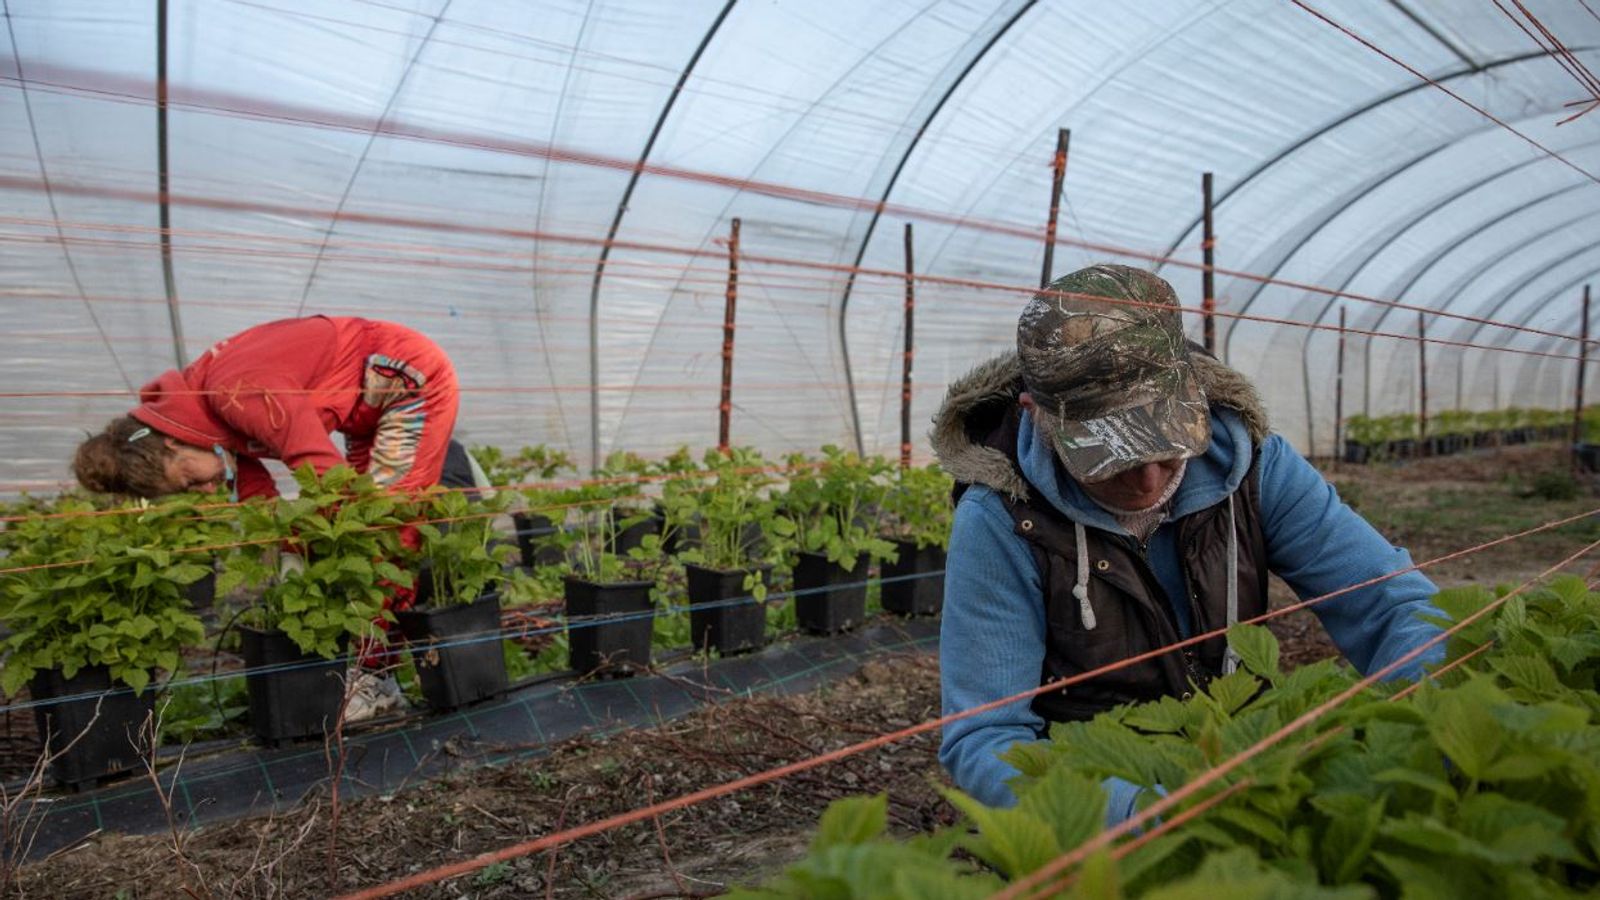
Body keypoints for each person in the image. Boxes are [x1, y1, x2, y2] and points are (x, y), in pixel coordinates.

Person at [929, 264, 1444, 822]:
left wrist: (1414, 730)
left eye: (1167, 442)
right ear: (1039, 416)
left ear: (1193, 391)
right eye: (1112, 456)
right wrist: (1145, 815)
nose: (1149, 481)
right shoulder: (1001, 520)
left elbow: (1394, 604)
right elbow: (986, 738)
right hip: (1101, 800)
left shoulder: (1253, 467)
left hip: (1241, 763)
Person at [73, 314, 483, 720]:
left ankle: (376, 678)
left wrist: (317, 549)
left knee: (388, 529)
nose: (202, 491)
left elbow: (323, 472)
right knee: (368, 522)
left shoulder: (238, 392)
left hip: (407, 379)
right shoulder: (205, 423)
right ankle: (365, 670)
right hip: (364, 410)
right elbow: (260, 503)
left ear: (171, 443)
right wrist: (289, 554)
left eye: (187, 481)